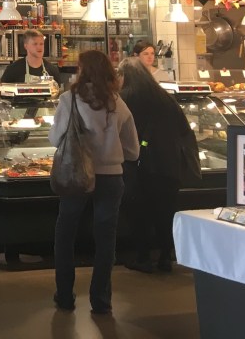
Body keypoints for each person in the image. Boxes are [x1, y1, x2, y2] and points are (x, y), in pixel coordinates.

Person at [49, 50, 140, 315]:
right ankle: (101, 299)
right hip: (111, 178)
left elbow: (55, 139)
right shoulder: (118, 103)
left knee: (65, 234)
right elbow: (133, 151)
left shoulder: (69, 100)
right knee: (105, 238)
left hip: (76, 175)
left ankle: (64, 295)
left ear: (82, 71)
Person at [117, 56, 191, 273]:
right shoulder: (165, 97)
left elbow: (120, 131)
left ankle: (143, 257)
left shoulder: (125, 98)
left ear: (125, 76)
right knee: (165, 213)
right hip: (169, 165)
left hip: (140, 165)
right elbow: (184, 129)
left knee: (140, 212)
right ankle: (166, 257)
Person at [0, 28, 67, 88]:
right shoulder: (13, 69)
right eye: (35, 44)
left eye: (41, 44)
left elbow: (57, 93)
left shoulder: (52, 70)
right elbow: (3, 92)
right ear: (26, 46)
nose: (39, 47)